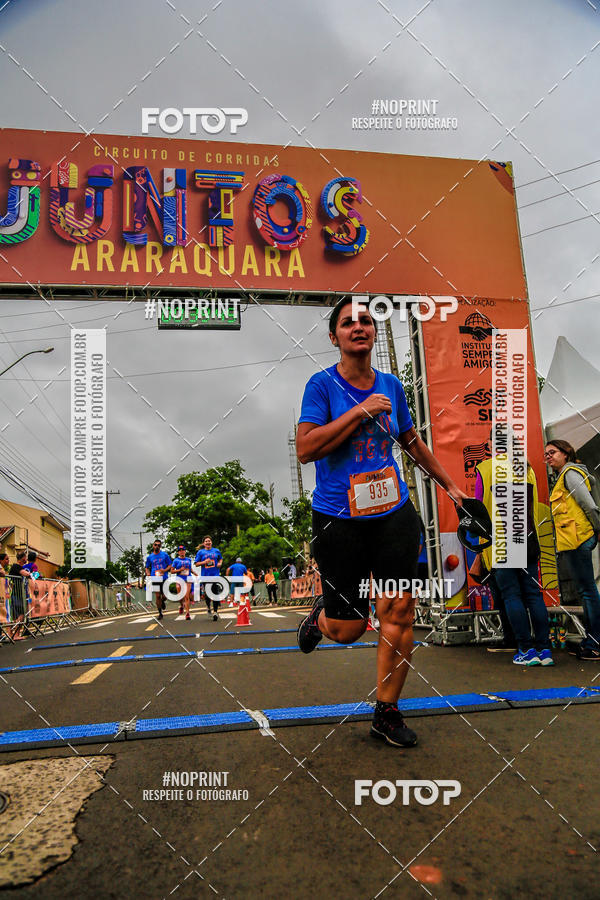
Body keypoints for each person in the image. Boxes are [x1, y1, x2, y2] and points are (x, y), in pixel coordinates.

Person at [296, 297, 467, 748]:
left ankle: (386, 711)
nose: (360, 326)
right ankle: (322, 621)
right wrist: (357, 413)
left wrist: (451, 487)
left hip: (392, 513)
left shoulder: (391, 385)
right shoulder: (321, 385)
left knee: (398, 610)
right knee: (349, 629)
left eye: (367, 320)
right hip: (338, 519)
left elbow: (410, 440)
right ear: (334, 337)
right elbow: (306, 448)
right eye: (349, 322)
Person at [475, 446, 552, 665]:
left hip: (500, 540)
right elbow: (534, 508)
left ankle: (526, 650)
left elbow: (479, 510)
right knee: (534, 594)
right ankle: (544, 650)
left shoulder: (486, 468)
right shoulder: (527, 468)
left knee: (511, 596)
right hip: (527, 538)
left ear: (492, 445)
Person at [546, 439, 600, 660]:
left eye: (552, 452)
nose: (548, 456)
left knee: (588, 592)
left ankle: (595, 644)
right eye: (546, 454)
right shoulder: (564, 476)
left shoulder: (569, 474)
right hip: (574, 541)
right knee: (586, 591)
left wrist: (597, 529)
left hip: (578, 539)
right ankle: (591, 640)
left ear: (566, 453)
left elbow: (589, 504)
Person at [195, 536, 223, 621]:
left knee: (215, 593)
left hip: (215, 575)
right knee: (208, 594)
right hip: (205, 576)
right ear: (204, 543)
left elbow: (221, 559)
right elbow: (196, 564)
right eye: (206, 541)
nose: (208, 542)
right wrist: (204, 562)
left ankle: (215, 612)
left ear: (211, 542)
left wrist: (219, 563)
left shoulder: (216, 551)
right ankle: (208, 606)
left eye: (209, 541)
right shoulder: (200, 552)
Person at [144, 538, 172, 620]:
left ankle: (163, 601)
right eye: (155, 545)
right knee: (157, 596)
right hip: (155, 577)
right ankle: (160, 613)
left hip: (164, 577)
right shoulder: (150, 557)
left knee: (164, 596)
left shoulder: (165, 555)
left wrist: (165, 570)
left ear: (160, 546)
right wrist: (148, 574)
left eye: (159, 545)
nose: (157, 546)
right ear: (153, 546)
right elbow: (147, 567)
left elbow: (170, 565)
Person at [8, 550, 32, 640]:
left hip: (18, 594)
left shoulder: (19, 567)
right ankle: (15, 634)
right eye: (25, 557)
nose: (26, 559)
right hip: (17, 594)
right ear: (22, 558)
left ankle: (13, 634)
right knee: (21, 614)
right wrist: (31, 574)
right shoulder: (16, 566)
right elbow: (25, 574)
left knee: (17, 615)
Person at [170, 545, 193, 620]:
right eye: (180, 550)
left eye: (183, 550)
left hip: (188, 579)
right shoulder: (176, 560)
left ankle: (187, 613)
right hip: (179, 579)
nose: (182, 551)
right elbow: (172, 571)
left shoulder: (189, 560)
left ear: (185, 551)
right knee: (180, 596)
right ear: (178, 552)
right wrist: (179, 570)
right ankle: (181, 605)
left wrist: (195, 574)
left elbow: (190, 569)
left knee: (186, 596)